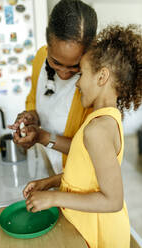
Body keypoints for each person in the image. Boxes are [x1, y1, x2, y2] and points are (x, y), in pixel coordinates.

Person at [22, 24, 142, 248]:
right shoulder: (102, 119)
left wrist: (54, 198)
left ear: (102, 76)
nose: (76, 82)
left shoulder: (98, 130)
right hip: (86, 226)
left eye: (82, 74)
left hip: (101, 236)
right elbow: (84, 174)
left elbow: (113, 200)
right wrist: (49, 183)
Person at [8, 0, 97, 174]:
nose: (63, 73)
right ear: (47, 44)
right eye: (56, 62)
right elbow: (34, 99)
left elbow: (93, 150)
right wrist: (31, 117)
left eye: (74, 66)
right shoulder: (41, 57)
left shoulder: (95, 83)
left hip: (79, 177)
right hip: (48, 166)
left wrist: (43, 137)